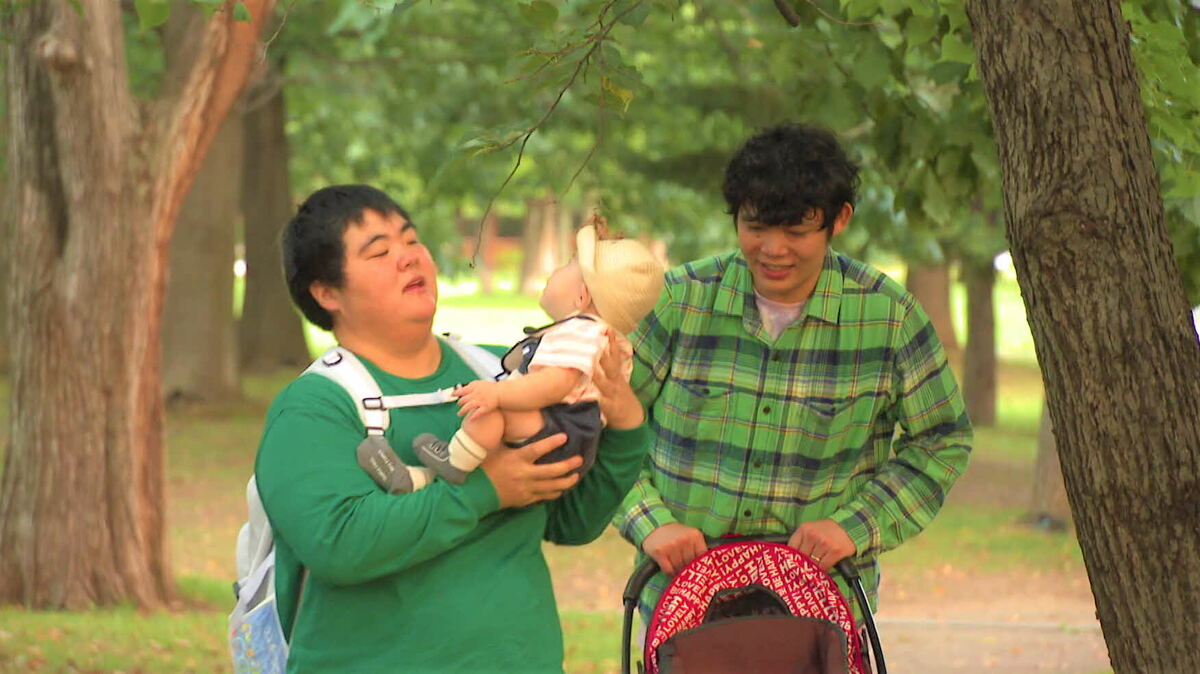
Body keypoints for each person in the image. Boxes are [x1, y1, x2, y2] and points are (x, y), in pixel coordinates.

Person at [255, 184, 650, 673]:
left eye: (411, 240)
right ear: (327, 292)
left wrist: (626, 426)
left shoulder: (500, 374)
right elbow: (339, 544)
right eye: (379, 251)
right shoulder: (313, 407)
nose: (408, 258)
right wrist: (484, 492)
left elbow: (571, 520)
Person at [613, 123, 973, 635]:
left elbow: (942, 442)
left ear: (838, 220)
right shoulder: (677, 300)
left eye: (796, 231)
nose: (773, 249)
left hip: (820, 618)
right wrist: (650, 524)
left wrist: (854, 527)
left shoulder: (888, 317)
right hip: (680, 610)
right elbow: (603, 423)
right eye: (755, 226)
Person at [413, 218, 665, 487]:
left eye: (568, 264)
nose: (555, 270)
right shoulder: (598, 336)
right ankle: (421, 478)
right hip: (565, 434)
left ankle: (453, 467)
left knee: (491, 413)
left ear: (582, 297)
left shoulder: (583, 333)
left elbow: (554, 385)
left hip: (559, 432)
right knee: (492, 428)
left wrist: (497, 394)